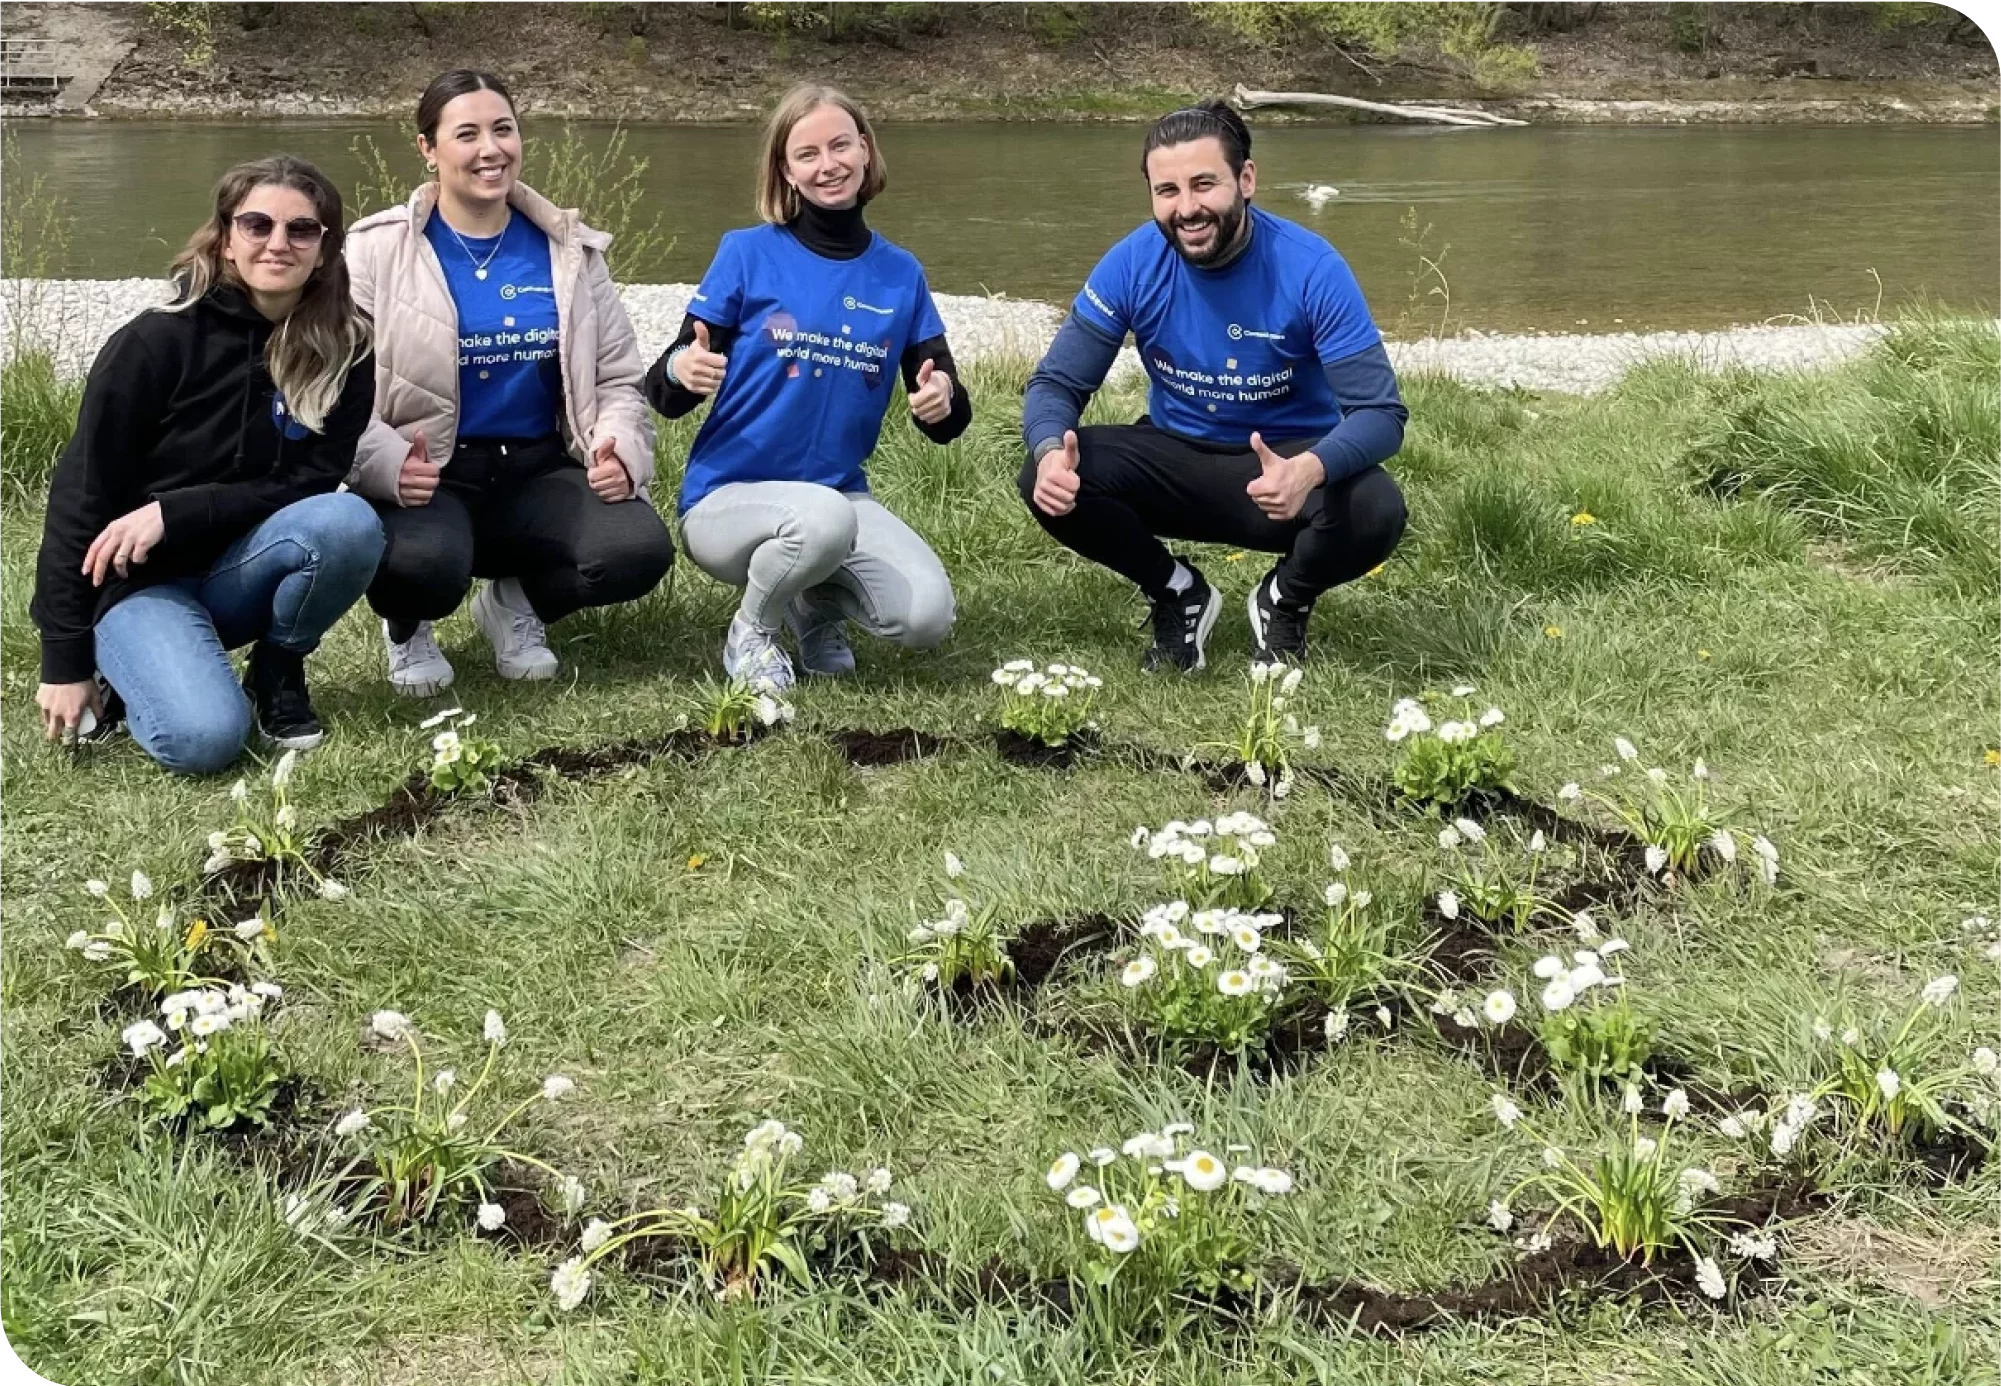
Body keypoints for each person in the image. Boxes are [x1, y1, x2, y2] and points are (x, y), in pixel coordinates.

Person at [1020, 101, 1408, 671]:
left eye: (1204, 185)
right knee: (1046, 476)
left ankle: (1284, 600)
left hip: (1286, 471)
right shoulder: (1132, 262)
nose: (1187, 209)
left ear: (1245, 180)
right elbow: (1056, 382)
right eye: (1167, 191)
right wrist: (1052, 448)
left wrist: (1309, 470)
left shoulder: (1312, 267)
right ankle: (1177, 593)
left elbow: (1380, 413)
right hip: (1177, 458)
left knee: (1377, 507)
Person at [30, 156, 382, 775]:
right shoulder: (154, 342)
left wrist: (177, 511)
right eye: (257, 225)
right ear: (225, 240)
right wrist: (64, 661)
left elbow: (307, 483)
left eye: (302, 230)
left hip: (240, 569)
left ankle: (276, 670)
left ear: (325, 250)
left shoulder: (345, 347)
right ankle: (129, 674)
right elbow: (79, 498)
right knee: (206, 741)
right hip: (141, 583)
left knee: (346, 521)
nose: (279, 243)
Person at [347, 69, 673, 696]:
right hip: (429, 473)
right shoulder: (375, 252)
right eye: (466, 134)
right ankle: (408, 628)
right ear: (428, 148)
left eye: (503, 129)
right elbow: (335, 391)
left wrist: (618, 446)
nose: (490, 149)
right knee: (420, 565)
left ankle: (514, 606)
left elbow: (617, 379)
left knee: (636, 549)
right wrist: (384, 462)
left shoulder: (569, 249)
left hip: (536, 466)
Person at [646, 83, 971, 690]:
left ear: (866, 151)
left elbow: (949, 413)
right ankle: (753, 630)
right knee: (818, 520)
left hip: (840, 497)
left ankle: (812, 606)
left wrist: (941, 400)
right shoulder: (746, 253)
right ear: (786, 171)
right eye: (808, 154)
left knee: (927, 617)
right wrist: (679, 372)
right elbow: (664, 390)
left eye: (841, 145)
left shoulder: (901, 275)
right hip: (727, 499)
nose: (829, 165)